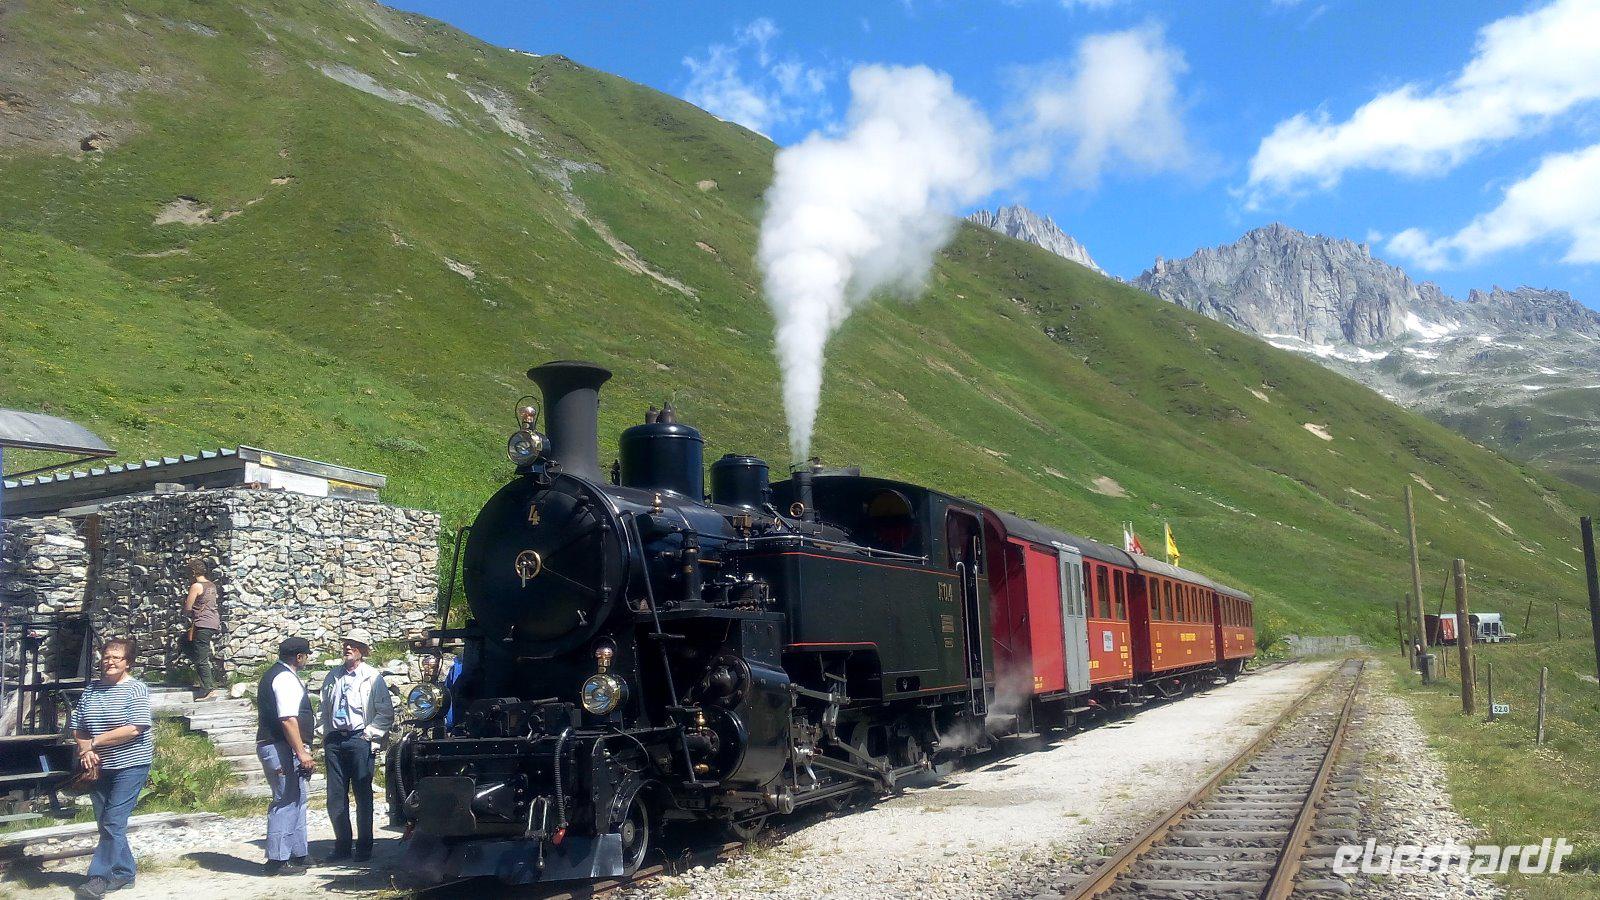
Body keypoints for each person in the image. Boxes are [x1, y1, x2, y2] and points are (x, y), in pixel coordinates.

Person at [70, 637, 154, 898]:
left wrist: (95, 742)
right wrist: (86, 749)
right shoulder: (91, 691)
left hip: (131, 764)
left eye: (117, 657)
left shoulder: (136, 689)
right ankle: (125, 872)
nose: (110, 662)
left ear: (128, 662)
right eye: (106, 657)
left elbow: (135, 727)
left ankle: (98, 878)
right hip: (98, 766)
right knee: (105, 821)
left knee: (113, 820)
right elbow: (78, 726)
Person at [317, 628, 394, 862]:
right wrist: (324, 734)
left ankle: (364, 847)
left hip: (359, 739)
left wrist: (369, 735)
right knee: (335, 797)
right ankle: (342, 846)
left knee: (363, 795)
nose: (348, 647)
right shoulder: (333, 676)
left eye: (353, 644)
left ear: (363, 650)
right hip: (335, 740)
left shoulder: (372, 677)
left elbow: (385, 713)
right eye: (346, 643)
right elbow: (323, 707)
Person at [257, 636, 315, 875]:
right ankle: (277, 860)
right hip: (280, 746)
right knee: (286, 799)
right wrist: (301, 752)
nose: (307, 659)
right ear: (299, 657)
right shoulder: (285, 679)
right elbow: (288, 719)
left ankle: (299, 853)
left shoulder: (278, 675)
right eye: (306, 655)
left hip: (283, 746)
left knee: (298, 797)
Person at [182, 559, 223, 700]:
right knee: (188, 644)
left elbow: (188, 607)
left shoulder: (196, 586)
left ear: (193, 572)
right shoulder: (211, 585)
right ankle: (206, 679)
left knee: (200, 658)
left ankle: (208, 689)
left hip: (202, 623)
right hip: (213, 621)